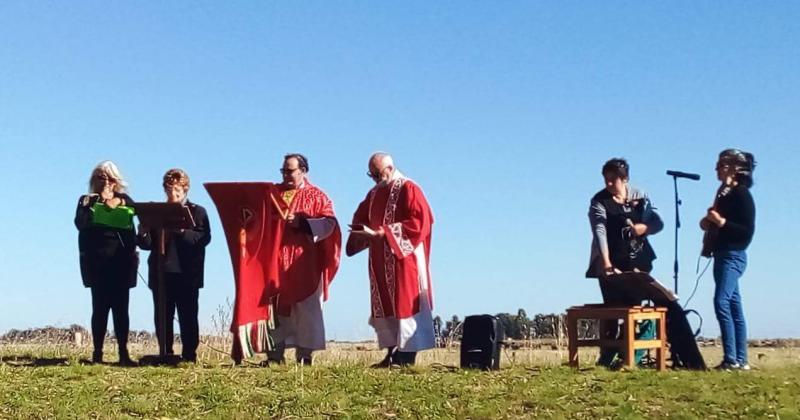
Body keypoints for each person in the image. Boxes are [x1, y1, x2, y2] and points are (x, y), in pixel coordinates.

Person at [346, 153, 435, 367]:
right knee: (385, 304)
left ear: (389, 167)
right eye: (371, 175)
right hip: (379, 256)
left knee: (405, 301)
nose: (375, 178)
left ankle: (407, 355)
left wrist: (385, 233)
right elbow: (361, 215)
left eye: (377, 173)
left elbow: (420, 221)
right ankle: (391, 351)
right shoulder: (374, 194)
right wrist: (361, 230)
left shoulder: (408, 188)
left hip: (404, 257)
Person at [586, 158, 663, 367]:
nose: (610, 184)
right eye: (606, 180)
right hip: (610, 261)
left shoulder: (640, 195)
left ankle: (631, 357)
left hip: (638, 261)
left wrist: (644, 228)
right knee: (612, 310)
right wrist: (607, 263)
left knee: (637, 310)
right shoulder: (599, 201)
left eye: (614, 180)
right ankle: (607, 356)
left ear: (625, 179)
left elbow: (657, 222)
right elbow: (599, 231)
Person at [266, 154, 341, 366]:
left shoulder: (317, 196)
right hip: (275, 259)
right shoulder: (273, 193)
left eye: (290, 171)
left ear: (303, 171)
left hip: (304, 260)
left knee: (306, 309)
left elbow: (329, 223)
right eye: (283, 171)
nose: (286, 175)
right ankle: (274, 355)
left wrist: (302, 222)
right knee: (274, 308)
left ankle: (304, 356)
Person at [138, 169, 211, 363]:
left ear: (185, 189)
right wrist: (143, 232)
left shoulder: (198, 211)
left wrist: (181, 230)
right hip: (160, 271)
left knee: (188, 316)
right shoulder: (156, 212)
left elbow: (203, 238)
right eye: (169, 189)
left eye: (177, 189)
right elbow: (147, 245)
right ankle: (165, 351)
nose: (173, 193)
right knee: (162, 315)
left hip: (187, 273)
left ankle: (189, 355)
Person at [74, 160, 138, 365]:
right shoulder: (87, 200)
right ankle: (98, 353)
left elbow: (135, 219)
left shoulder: (126, 200)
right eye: (101, 177)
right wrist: (96, 202)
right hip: (97, 262)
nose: (106, 182)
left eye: (109, 178)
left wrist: (116, 202)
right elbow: (80, 224)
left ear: (116, 180)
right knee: (99, 309)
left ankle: (123, 353)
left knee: (121, 310)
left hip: (121, 261)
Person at [700, 149, 756, 371]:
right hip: (722, 253)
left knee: (722, 302)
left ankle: (731, 358)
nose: (717, 169)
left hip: (733, 254)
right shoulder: (724, 193)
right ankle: (740, 360)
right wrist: (709, 223)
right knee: (733, 305)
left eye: (721, 165)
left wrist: (721, 222)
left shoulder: (741, 194)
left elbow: (746, 231)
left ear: (734, 168)